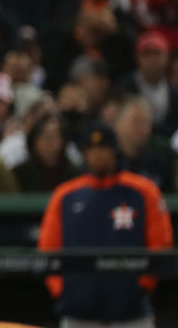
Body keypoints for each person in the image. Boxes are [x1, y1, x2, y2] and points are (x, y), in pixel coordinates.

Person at [39, 123, 173, 328]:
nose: (97, 155)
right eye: (91, 150)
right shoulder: (65, 195)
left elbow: (161, 244)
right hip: (79, 313)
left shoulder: (143, 191)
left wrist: (142, 286)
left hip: (131, 313)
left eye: (103, 149)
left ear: (114, 151)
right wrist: (63, 291)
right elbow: (48, 250)